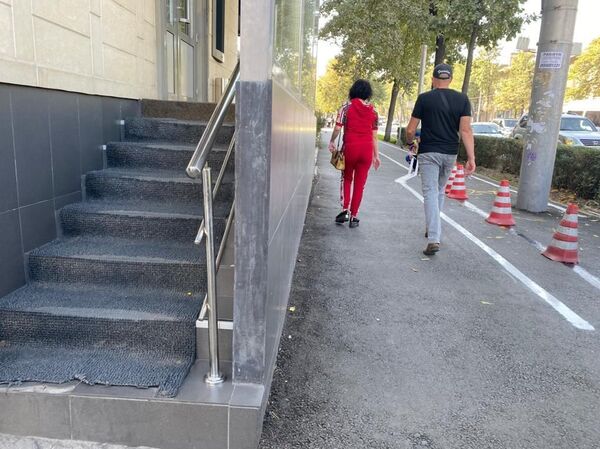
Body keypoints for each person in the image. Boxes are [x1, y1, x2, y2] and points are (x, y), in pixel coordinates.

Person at [406, 63, 476, 255]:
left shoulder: (424, 98)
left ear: (433, 79)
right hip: (450, 153)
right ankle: (432, 227)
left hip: (429, 152)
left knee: (430, 192)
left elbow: (411, 129)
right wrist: (471, 158)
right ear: (450, 79)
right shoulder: (462, 99)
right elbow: (465, 130)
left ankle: (433, 238)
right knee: (439, 191)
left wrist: (410, 142)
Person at [328, 79, 381, 228]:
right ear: (368, 93)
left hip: (350, 149)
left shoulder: (345, 108)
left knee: (347, 178)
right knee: (360, 184)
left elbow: (337, 128)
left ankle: (345, 209)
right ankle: (354, 216)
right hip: (366, 151)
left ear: (353, 91)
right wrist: (376, 156)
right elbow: (374, 136)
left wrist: (332, 141)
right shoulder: (374, 112)